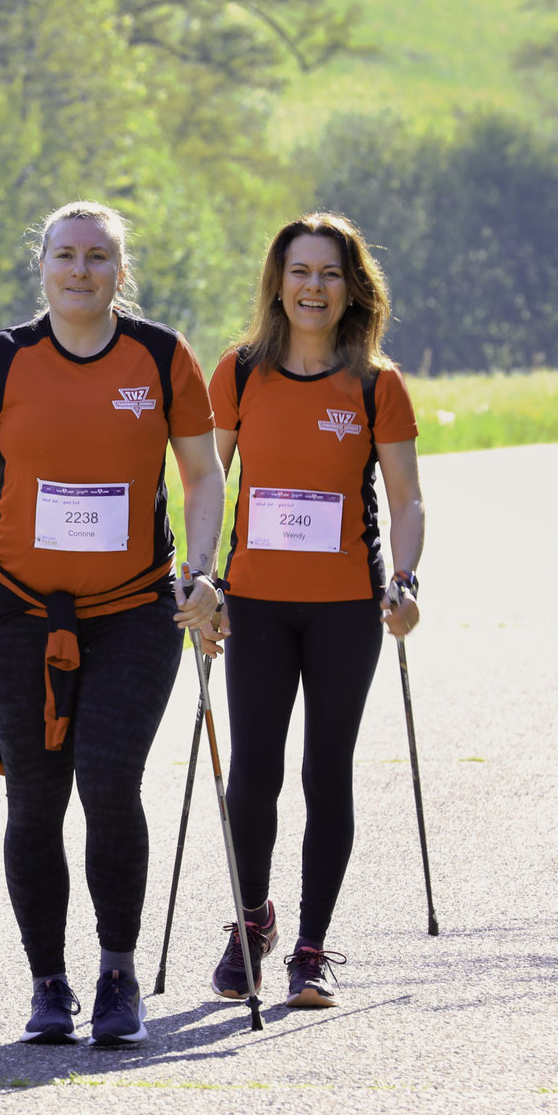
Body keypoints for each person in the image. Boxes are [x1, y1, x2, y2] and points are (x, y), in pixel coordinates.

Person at [0, 201, 224, 1048]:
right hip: (18, 611)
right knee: (36, 800)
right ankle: (48, 984)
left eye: (99, 257)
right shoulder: (2, 360)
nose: (81, 270)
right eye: (66, 255)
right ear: (42, 265)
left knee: (109, 782)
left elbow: (202, 476)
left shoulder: (161, 357)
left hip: (134, 610)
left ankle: (118, 974)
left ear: (120, 272)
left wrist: (201, 574)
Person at [204, 212, 423, 1009]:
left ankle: (310, 947)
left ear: (352, 287)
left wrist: (406, 580)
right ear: (278, 281)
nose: (314, 287)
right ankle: (250, 919)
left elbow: (407, 500)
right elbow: (204, 483)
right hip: (256, 603)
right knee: (252, 774)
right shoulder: (238, 372)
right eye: (300, 271)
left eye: (330, 273)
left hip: (345, 606)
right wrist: (199, 577)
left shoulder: (376, 383)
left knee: (325, 772)